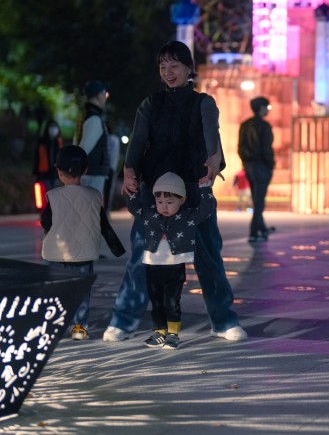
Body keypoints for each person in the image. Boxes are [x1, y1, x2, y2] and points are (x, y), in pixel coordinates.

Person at [109, 40, 245, 343]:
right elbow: (137, 143)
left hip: (194, 189)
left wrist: (214, 161)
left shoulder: (204, 103)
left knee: (208, 255)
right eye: (163, 66)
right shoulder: (150, 104)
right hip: (154, 192)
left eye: (174, 66)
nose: (168, 72)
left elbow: (213, 139)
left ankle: (223, 320)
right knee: (142, 254)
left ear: (189, 69)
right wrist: (129, 170)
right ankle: (124, 320)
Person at [40, 145, 125, 341]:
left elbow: (45, 221)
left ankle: (56, 325)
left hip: (56, 255)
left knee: (57, 291)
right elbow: (104, 225)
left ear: (58, 171)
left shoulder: (53, 196)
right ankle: (79, 327)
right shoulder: (94, 196)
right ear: (86, 170)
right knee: (82, 291)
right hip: (84, 256)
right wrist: (117, 249)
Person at [136, 172, 215, 350]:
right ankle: (159, 332)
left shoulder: (187, 216)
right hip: (152, 265)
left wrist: (205, 189)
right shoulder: (150, 214)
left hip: (174, 267)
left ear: (183, 199)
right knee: (155, 302)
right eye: (160, 202)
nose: (164, 206)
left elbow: (206, 210)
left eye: (170, 202)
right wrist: (135, 189)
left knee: (171, 302)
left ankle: (173, 334)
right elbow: (134, 207)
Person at [238, 96, 276, 243]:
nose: (267, 110)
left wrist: (245, 162)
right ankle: (254, 231)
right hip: (261, 166)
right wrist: (270, 164)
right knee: (259, 201)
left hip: (249, 166)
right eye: (266, 107)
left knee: (257, 199)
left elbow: (240, 147)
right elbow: (267, 148)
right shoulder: (264, 126)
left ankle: (262, 228)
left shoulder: (245, 125)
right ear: (260, 108)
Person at [77, 81, 112, 205]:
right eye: (104, 94)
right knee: (90, 210)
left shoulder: (86, 116)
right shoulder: (94, 119)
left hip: (90, 171)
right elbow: (84, 148)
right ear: (97, 95)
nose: (105, 97)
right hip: (92, 172)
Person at [33, 119, 64, 198]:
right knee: (46, 193)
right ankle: (48, 208)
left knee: (54, 193)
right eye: (51, 127)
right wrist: (35, 173)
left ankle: (52, 208)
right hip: (44, 172)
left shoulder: (59, 142)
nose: (53, 129)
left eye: (54, 127)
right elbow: (37, 158)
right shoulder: (42, 142)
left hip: (56, 173)